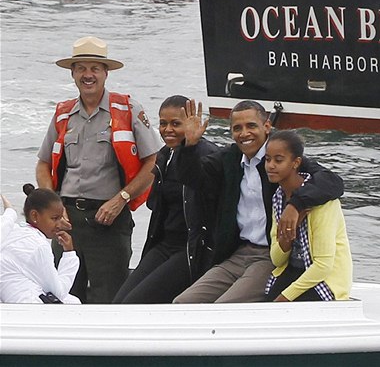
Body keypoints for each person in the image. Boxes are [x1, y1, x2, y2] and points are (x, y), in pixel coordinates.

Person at [173, 99, 344, 303]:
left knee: (223, 307)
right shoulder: (229, 159)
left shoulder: (281, 158)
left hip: (271, 256)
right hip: (237, 253)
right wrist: (189, 146)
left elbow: (332, 182)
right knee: (183, 303)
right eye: (237, 128)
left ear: (267, 126)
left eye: (251, 126)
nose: (244, 133)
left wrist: (295, 205)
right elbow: (193, 178)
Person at [35, 36, 161, 303]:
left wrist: (121, 199)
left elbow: (154, 162)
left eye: (95, 68)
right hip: (67, 221)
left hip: (110, 221)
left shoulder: (127, 109)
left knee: (111, 299)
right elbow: (43, 164)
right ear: (72, 73)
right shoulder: (62, 114)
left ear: (106, 73)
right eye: (81, 68)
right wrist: (53, 207)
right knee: (63, 294)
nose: (88, 75)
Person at [113, 95, 219, 303]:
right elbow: (155, 205)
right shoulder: (164, 155)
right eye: (163, 123)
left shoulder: (209, 155)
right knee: (120, 303)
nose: (168, 129)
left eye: (176, 124)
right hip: (163, 244)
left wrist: (190, 146)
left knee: (135, 303)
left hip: (190, 247)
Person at [264, 130, 353, 302]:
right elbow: (277, 259)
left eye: (278, 160)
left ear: (296, 162)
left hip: (325, 280)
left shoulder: (322, 200)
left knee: (281, 309)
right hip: (295, 270)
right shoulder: (278, 197)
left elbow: (323, 266)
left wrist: (284, 298)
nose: (271, 166)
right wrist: (287, 235)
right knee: (261, 311)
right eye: (268, 159)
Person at [0, 185, 80, 304]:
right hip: (26, 310)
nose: (59, 224)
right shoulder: (38, 246)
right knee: (74, 302)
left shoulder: (15, 231)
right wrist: (69, 254)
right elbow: (58, 292)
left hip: (9, 303)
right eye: (54, 218)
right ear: (34, 216)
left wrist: (10, 213)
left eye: (61, 218)